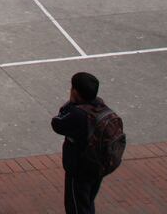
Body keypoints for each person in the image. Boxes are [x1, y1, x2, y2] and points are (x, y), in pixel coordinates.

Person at [51, 72, 120, 214]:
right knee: (87, 201)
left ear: (75, 92)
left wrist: (71, 103)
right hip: (98, 166)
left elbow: (57, 123)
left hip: (80, 169)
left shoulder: (77, 114)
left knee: (76, 206)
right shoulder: (101, 107)